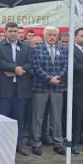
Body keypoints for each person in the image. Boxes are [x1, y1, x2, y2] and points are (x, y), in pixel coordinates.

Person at [0, 22, 33, 156]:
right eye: (10, 31)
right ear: (5, 32)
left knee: (19, 118)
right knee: (3, 118)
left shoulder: (26, 46)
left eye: (15, 31)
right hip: (4, 87)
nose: (13, 33)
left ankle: (18, 144)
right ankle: (2, 145)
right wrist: (13, 68)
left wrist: (18, 71)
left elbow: (30, 63)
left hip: (21, 88)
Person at [30, 26, 67, 156]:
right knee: (38, 116)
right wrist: (48, 78)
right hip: (41, 86)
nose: (52, 37)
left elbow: (65, 66)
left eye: (54, 35)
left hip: (57, 86)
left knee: (57, 117)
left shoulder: (63, 49)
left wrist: (58, 77)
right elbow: (36, 67)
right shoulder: (36, 49)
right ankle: (36, 143)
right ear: (44, 36)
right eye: (50, 35)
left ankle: (58, 143)